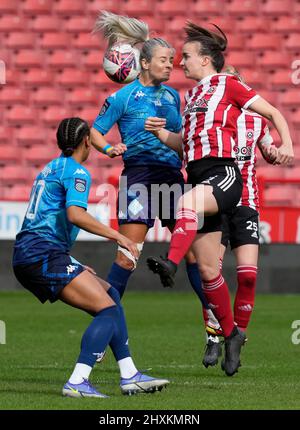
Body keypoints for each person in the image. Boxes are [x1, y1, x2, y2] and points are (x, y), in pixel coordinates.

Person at [145, 22, 294, 376]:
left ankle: (171, 262)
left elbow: (273, 112)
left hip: (225, 177)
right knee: (210, 270)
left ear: (207, 60)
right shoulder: (193, 97)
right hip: (199, 176)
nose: (181, 63)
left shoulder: (228, 83)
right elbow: (187, 144)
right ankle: (229, 335)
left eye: (187, 57)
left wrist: (286, 144)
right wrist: (162, 133)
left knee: (186, 207)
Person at [12, 117, 170, 398]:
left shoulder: (51, 167)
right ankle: (78, 380)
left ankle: (129, 374)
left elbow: (51, 219)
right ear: (87, 141)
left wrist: (67, 260)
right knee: (106, 310)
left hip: (36, 252)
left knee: (111, 294)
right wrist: (119, 236)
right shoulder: (77, 172)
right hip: (42, 254)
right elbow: (76, 215)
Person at [91, 12, 212, 322]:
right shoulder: (123, 97)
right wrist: (109, 148)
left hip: (172, 177)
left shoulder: (174, 96)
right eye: (163, 60)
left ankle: (213, 320)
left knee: (195, 255)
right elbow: (94, 130)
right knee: (129, 255)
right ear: (144, 63)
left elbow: (184, 137)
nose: (170, 64)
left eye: (172, 59)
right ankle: (105, 324)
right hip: (139, 178)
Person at [202, 65, 279, 368]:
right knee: (213, 271)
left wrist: (274, 153)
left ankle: (238, 339)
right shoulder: (209, 122)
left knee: (247, 276)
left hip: (246, 202)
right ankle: (212, 336)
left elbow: (268, 148)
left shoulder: (256, 122)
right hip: (217, 202)